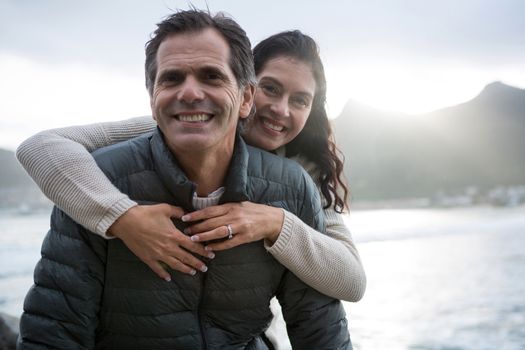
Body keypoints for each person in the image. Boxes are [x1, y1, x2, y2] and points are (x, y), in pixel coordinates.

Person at [17, 9, 351, 349]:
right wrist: (122, 217)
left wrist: (279, 223)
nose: (190, 93)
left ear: (244, 96)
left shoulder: (296, 184)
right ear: (151, 97)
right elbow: (56, 330)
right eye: (172, 78)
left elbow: (341, 295)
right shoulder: (94, 183)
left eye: (211, 76)